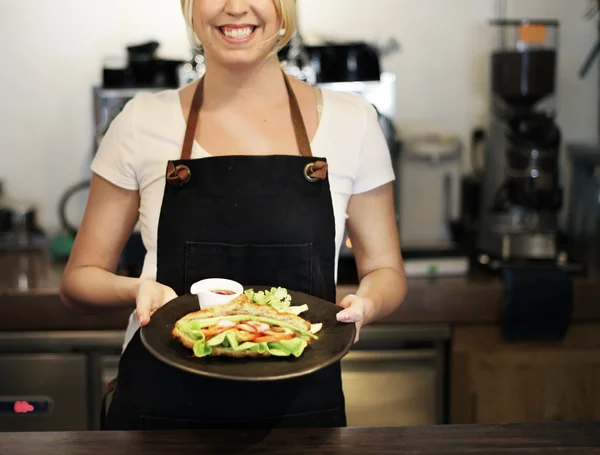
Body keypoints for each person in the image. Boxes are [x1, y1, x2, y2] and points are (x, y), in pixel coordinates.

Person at [60, 0, 407, 430]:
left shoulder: (352, 122)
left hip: (302, 411)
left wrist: (367, 304)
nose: (236, 7)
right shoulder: (140, 121)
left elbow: (387, 271)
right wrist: (137, 290)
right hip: (161, 408)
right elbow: (79, 280)